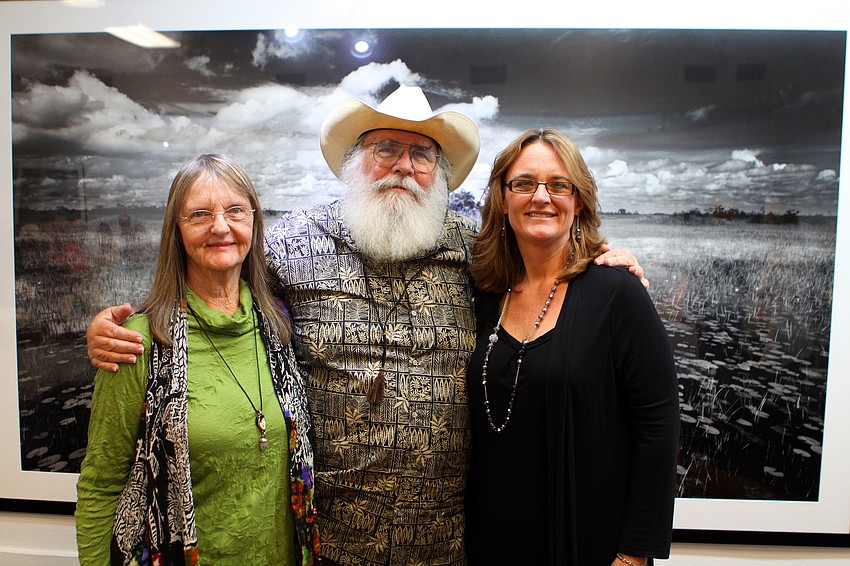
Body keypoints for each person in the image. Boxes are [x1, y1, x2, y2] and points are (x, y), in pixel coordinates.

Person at [85, 86, 645, 565]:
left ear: (439, 173)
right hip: (330, 545)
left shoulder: (473, 252)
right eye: (385, 149)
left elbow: (543, 276)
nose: (403, 166)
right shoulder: (294, 244)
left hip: (447, 546)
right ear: (355, 160)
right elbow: (219, 276)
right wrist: (124, 321)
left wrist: (602, 263)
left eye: (421, 154)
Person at [75, 154, 319, 565]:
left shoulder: (279, 326)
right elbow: (100, 486)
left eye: (235, 211)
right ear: (177, 231)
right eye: (200, 214)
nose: (220, 227)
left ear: (254, 222)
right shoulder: (140, 341)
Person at [466, 129, 679, 566]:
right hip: (492, 542)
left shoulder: (617, 293)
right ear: (503, 199)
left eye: (558, 185)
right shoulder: (487, 292)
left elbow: (658, 427)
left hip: (587, 542)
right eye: (523, 183)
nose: (540, 196)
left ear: (577, 201)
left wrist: (633, 554)